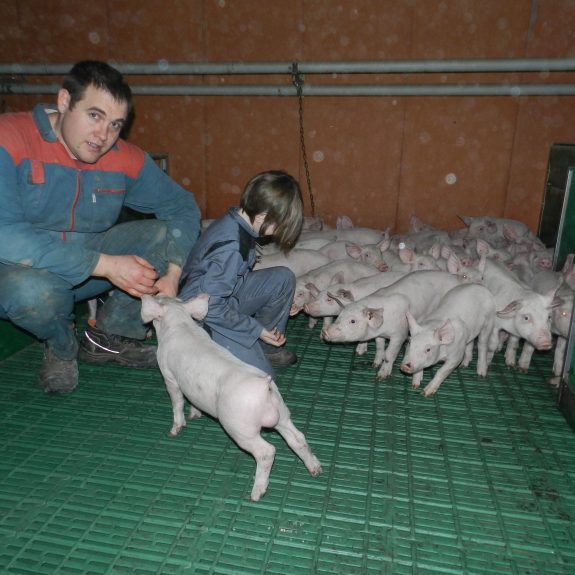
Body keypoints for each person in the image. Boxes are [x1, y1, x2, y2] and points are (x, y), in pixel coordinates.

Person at [0, 60, 201, 394]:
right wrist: (105, 265)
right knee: (33, 291)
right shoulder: (9, 139)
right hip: (16, 273)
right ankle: (62, 348)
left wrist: (174, 272)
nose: (103, 136)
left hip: (85, 269)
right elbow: (4, 234)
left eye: (116, 124)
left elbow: (181, 205)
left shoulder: (124, 158)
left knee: (165, 236)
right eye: (94, 116)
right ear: (64, 102)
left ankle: (110, 337)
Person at [178, 170, 303, 376]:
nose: (282, 230)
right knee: (260, 378)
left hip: (221, 299)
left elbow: (229, 281)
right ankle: (200, 349)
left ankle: (264, 347)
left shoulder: (237, 220)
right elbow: (211, 308)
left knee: (282, 279)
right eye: (282, 223)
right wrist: (256, 329)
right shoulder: (232, 247)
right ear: (263, 216)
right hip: (200, 318)